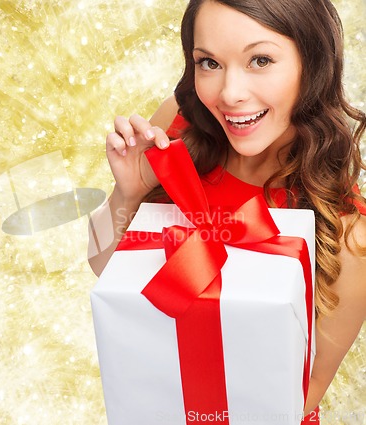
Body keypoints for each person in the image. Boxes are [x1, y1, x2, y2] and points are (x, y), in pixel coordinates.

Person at [88, 0, 366, 421]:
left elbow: (301, 393)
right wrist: (129, 192)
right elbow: (102, 264)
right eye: (209, 63)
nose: (230, 94)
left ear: (313, 64)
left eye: (260, 60)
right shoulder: (176, 128)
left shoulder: (348, 234)